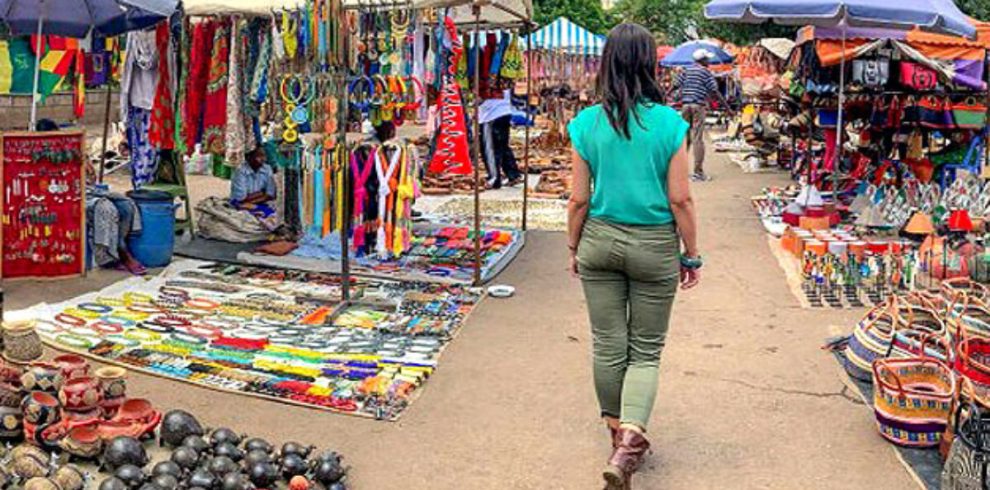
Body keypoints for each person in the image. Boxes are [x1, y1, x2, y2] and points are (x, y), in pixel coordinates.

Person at [566, 23, 701, 490]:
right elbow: (681, 199)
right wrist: (692, 254)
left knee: (608, 343)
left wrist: (573, 246)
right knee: (645, 350)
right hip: (654, 245)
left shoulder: (585, 123)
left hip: (599, 240)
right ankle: (630, 442)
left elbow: (578, 199)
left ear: (606, 62)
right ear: (650, 64)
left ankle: (615, 436)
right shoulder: (670, 123)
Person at [676, 48, 731, 181]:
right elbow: (714, 91)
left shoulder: (686, 70)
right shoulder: (705, 72)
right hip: (697, 106)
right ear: (703, 60)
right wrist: (728, 108)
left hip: (685, 106)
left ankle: (679, 171)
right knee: (697, 139)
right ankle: (698, 172)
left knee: (685, 139)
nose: (709, 61)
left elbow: (675, 85)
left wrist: (665, 98)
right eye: (707, 59)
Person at [479, 89, 523, 189]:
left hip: (490, 115)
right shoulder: (503, 75)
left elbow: (481, 96)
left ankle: (493, 178)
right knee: (502, 146)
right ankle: (513, 174)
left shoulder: (485, 76)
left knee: (489, 149)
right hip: (504, 111)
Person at [230, 146, 277, 214]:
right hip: (239, 204)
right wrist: (261, 193)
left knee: (270, 212)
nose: (263, 159)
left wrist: (249, 202)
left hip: (256, 203)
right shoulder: (241, 171)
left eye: (264, 156)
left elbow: (270, 194)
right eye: (259, 156)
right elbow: (240, 198)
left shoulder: (267, 168)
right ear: (249, 157)